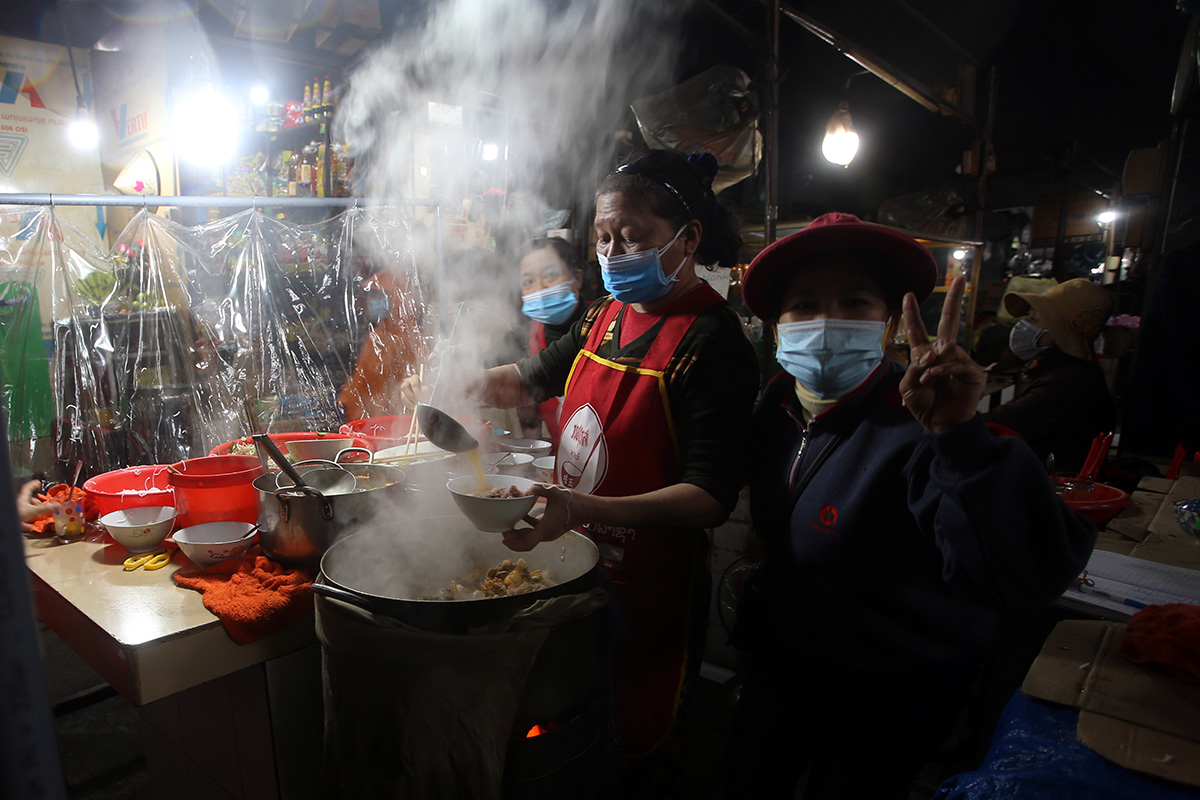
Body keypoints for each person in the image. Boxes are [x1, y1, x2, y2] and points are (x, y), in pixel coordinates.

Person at [401, 149, 759, 761]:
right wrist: (458, 382)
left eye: (632, 237)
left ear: (689, 237)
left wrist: (582, 506)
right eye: (603, 237)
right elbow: (529, 378)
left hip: (652, 585)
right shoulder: (604, 317)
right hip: (573, 559)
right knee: (574, 721)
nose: (613, 253)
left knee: (635, 736)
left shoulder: (713, 340)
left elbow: (710, 498)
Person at [724, 213, 1097, 800]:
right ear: (776, 326)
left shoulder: (923, 421)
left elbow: (1022, 578)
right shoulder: (775, 407)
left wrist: (960, 437)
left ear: (892, 323)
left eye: (855, 302)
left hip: (893, 685)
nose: (827, 320)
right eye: (804, 304)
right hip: (789, 659)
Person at [984, 278, 1116, 473]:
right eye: (1028, 316)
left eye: (1034, 320)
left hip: (1053, 483)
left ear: (1059, 332)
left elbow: (996, 425)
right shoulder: (1056, 368)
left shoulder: (1067, 384)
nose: (1023, 324)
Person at [514, 237, 586, 441]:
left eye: (550, 275)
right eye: (528, 282)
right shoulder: (524, 337)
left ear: (577, 278)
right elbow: (485, 364)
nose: (539, 289)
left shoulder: (605, 326)